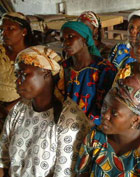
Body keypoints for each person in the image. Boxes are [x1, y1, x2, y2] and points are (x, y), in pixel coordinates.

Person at [0, 45, 91, 177]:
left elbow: (63, 174)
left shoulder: (70, 119)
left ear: (46, 73)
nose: (18, 81)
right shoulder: (19, 109)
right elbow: (2, 160)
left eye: (24, 74)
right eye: (16, 75)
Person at [60, 21, 117, 126]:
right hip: (64, 124)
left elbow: (104, 104)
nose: (65, 43)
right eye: (62, 40)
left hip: (93, 127)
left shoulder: (104, 69)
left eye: (70, 37)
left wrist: (86, 126)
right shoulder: (63, 67)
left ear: (84, 39)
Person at [0, 12, 35, 131]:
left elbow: (41, 88)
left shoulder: (34, 57)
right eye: (2, 29)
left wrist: (13, 106)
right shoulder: (1, 53)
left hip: (23, 111)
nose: (4, 33)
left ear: (24, 32)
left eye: (10, 29)